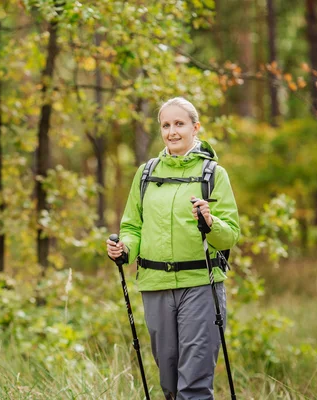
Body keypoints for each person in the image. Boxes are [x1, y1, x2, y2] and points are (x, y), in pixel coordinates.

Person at [106, 97, 240, 399]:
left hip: (201, 286)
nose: (172, 131)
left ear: (195, 127)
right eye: (166, 125)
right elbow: (132, 226)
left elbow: (230, 235)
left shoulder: (213, 174)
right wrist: (124, 249)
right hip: (155, 286)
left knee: (193, 384)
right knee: (168, 379)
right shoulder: (146, 173)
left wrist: (210, 221)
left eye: (179, 124)